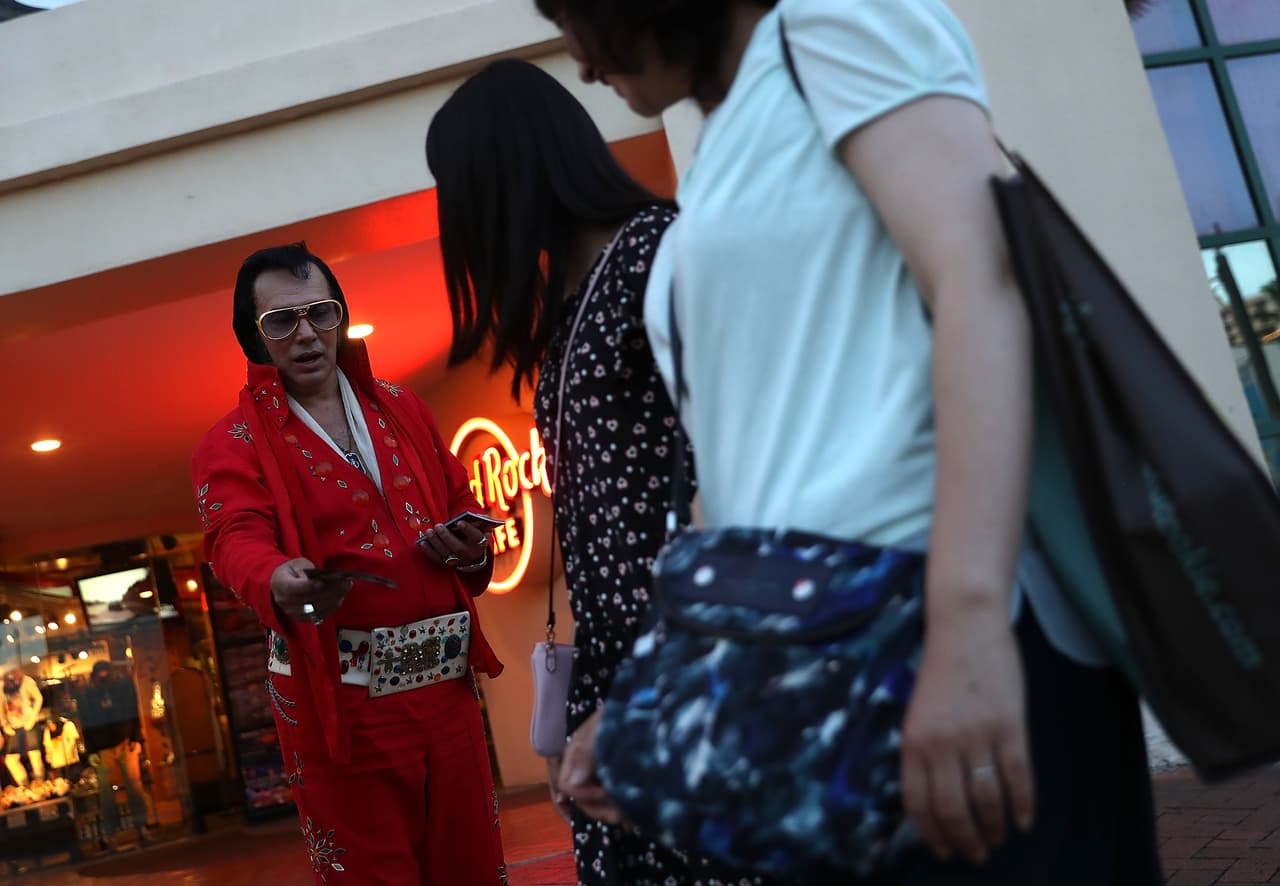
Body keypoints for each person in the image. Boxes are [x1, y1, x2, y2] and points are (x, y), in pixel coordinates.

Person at [535, 1, 1163, 883]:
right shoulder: (720, 147)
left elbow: (983, 277)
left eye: (574, 9)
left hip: (953, 631)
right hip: (828, 676)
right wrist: (658, 687)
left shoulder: (834, 24)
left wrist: (968, 630)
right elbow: (748, 469)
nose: (580, 55)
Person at [427, 60, 763, 886]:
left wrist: (637, 694)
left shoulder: (658, 257)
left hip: (700, 671)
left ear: (501, 178)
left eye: (459, 187)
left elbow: (736, 486)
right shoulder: (571, 307)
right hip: (635, 680)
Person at [192, 243, 508, 885]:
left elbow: (459, 501)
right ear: (252, 338)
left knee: (471, 864)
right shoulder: (232, 442)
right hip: (340, 694)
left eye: (320, 313)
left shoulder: (402, 405)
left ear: (340, 317)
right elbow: (234, 535)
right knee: (372, 874)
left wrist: (473, 544)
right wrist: (276, 576)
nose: (306, 333)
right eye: (281, 321)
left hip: (445, 686)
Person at [77, 661, 150, 848]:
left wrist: (135, 737)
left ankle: (122, 831)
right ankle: (130, 830)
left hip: (119, 742)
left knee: (119, 789)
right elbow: (87, 723)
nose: (104, 679)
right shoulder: (99, 692)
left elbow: (86, 723)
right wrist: (136, 737)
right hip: (115, 742)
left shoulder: (93, 693)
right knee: (118, 790)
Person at [1, 668, 44, 787]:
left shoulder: (26, 681)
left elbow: (39, 698)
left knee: (34, 754)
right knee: (11, 759)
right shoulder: (1, 687)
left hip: (28, 723)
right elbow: (0, 706)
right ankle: (24, 785)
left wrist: (32, 718)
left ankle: (39, 785)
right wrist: (4, 724)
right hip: (13, 725)